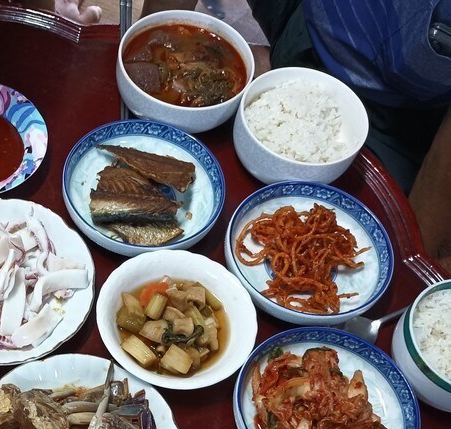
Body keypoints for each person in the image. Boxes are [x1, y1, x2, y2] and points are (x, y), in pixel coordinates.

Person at [140, 0, 451, 269]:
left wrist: (415, 260)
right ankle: (279, 60)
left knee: (389, 230)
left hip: (394, 104)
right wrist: (147, 56)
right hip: (315, 16)